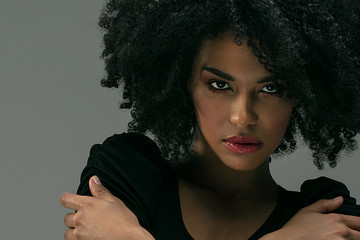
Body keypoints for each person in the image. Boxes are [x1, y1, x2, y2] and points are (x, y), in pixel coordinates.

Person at [60, 0, 360, 239]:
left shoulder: (328, 214)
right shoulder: (126, 175)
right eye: (219, 85)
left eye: (271, 88)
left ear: (302, 93)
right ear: (184, 82)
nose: (242, 117)